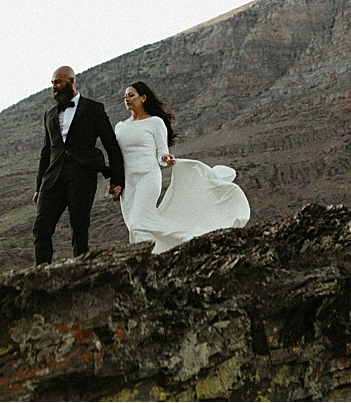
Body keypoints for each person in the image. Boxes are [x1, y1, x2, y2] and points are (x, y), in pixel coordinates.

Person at [114, 80, 250, 253]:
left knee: (138, 222)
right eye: (125, 96)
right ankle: (154, 258)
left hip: (148, 177)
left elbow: (161, 154)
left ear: (143, 98)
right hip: (128, 182)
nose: (127, 98)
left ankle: (188, 240)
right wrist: (115, 183)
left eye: (131, 95)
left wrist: (166, 159)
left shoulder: (155, 122)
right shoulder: (120, 127)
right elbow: (117, 158)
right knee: (134, 226)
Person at [32, 66, 124, 264]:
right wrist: (38, 187)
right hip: (53, 178)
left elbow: (111, 144)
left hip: (82, 175)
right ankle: (40, 276)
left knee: (79, 229)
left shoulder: (93, 108)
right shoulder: (49, 114)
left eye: (58, 82)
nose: (54, 87)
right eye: (52, 83)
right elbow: (46, 152)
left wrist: (117, 179)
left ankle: (82, 273)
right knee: (41, 228)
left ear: (71, 81)